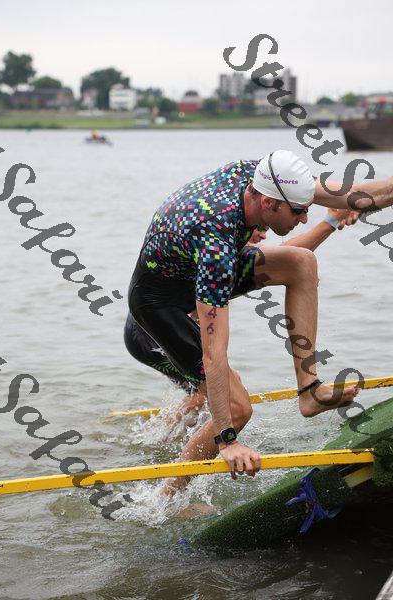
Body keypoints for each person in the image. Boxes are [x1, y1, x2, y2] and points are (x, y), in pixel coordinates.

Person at [127, 150, 393, 495]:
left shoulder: (266, 175)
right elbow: (214, 351)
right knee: (236, 409)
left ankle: (310, 391)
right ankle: (167, 497)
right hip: (160, 306)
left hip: (189, 273)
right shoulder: (216, 242)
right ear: (268, 203)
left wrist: (343, 211)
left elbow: (360, 194)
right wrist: (227, 440)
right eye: (298, 212)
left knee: (300, 262)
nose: (304, 218)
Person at [125, 206, 358, 426]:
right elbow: (287, 257)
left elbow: (288, 258)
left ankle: (168, 437)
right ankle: (173, 442)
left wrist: (331, 221)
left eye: (265, 229)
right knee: (214, 393)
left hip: (154, 328)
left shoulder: (226, 249)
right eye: (260, 228)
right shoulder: (218, 247)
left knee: (212, 393)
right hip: (147, 336)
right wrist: (330, 222)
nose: (263, 235)